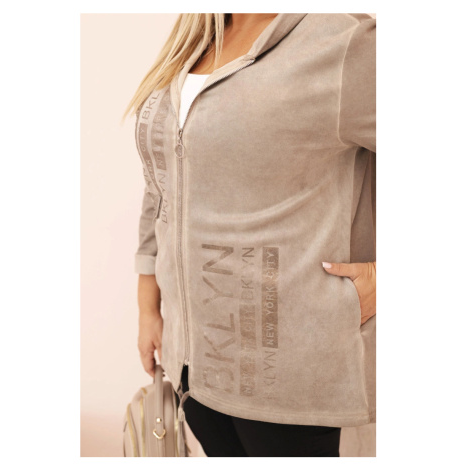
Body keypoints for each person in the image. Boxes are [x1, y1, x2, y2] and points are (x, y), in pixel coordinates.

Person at [122, 13, 376, 457]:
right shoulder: (194, 40)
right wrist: (148, 307)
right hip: (194, 366)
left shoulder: (344, 41)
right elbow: (160, 185)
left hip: (288, 377)